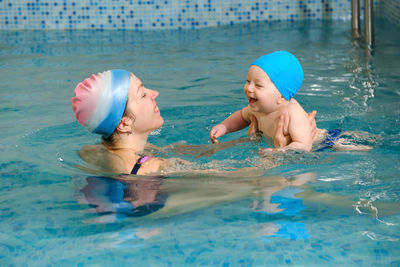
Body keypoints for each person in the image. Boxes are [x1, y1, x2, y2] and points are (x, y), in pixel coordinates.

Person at [72, 69, 318, 175]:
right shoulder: (149, 168)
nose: (154, 93)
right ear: (123, 124)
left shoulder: (95, 151)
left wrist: (247, 140)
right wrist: (280, 152)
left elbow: (192, 153)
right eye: (143, 94)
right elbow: (242, 179)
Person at [209, 51, 372, 153]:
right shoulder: (257, 107)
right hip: (300, 142)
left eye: (258, 85)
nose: (249, 88)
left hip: (324, 142)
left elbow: (304, 145)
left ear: (281, 96)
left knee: (355, 147)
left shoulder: (292, 114)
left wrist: (279, 152)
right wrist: (224, 127)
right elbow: (241, 117)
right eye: (248, 81)